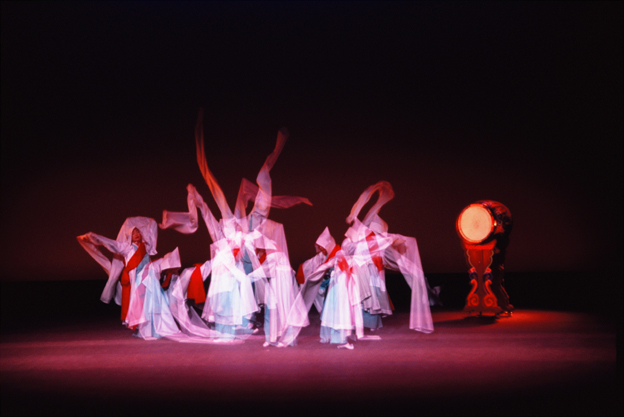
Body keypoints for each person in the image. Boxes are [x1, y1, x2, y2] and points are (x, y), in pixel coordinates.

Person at [77, 216, 182, 339]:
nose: (136, 234)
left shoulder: (146, 246)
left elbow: (152, 226)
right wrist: (95, 237)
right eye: (133, 233)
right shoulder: (127, 248)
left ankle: (156, 328)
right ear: (129, 236)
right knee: (141, 306)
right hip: (137, 281)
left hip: (149, 279)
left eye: (138, 232)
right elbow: (111, 244)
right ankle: (144, 330)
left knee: (153, 304)